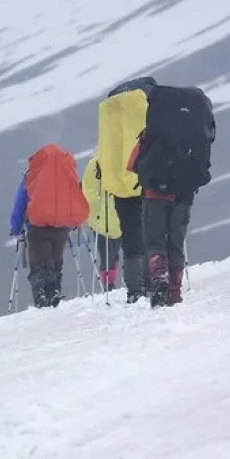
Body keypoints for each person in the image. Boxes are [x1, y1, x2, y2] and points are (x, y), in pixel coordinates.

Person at [130, 85, 215, 308]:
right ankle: (174, 292)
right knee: (176, 241)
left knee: (155, 239)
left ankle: (159, 279)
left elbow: (133, 163)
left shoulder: (154, 132)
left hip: (156, 187)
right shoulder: (194, 131)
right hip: (185, 188)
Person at [97, 76, 157, 302]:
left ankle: (135, 290)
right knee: (152, 233)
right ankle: (152, 281)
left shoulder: (110, 111)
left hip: (118, 185)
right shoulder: (146, 106)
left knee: (131, 238)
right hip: (145, 180)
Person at [10, 143, 90, 308]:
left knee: (40, 263)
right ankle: (54, 292)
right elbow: (75, 196)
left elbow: (21, 201)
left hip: (37, 226)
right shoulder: (67, 173)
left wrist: (16, 227)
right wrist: (74, 220)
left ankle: (42, 297)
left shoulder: (32, 174)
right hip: (61, 227)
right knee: (55, 261)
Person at [81, 154, 123, 291]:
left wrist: (91, 213)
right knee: (124, 250)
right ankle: (137, 280)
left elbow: (88, 192)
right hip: (122, 214)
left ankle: (108, 283)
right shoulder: (123, 157)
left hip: (100, 219)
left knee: (106, 254)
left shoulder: (95, 163)